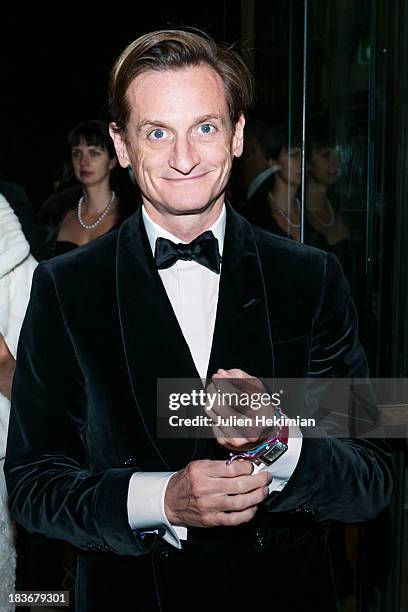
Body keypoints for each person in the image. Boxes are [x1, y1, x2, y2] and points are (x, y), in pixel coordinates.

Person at [5, 29, 393, 611]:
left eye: (205, 127)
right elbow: (34, 486)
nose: (183, 159)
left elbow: (373, 475)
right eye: (157, 132)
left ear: (237, 135)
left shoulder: (311, 279)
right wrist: (163, 500)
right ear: (123, 144)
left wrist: (276, 437)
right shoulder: (65, 288)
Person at [0, 193, 37, 611]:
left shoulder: (25, 278)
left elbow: (46, 400)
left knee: (26, 593)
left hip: (9, 466)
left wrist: (3, 360)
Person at [37, 119, 137, 257]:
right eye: (77, 153)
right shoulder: (54, 216)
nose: (83, 161)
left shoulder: (132, 217)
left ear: (112, 161)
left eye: (94, 153)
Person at [239, 117, 303, 240]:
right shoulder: (256, 215)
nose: (301, 162)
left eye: (305, 156)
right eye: (294, 155)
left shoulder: (309, 212)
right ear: (273, 161)